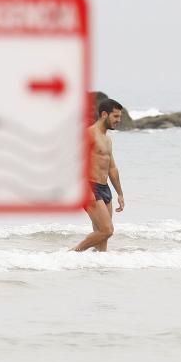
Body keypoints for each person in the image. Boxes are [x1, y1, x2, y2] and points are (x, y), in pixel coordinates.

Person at [72, 98, 125, 252]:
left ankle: (98, 270)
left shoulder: (107, 140)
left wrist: (120, 194)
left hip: (104, 188)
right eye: (115, 116)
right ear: (104, 114)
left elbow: (112, 168)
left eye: (119, 117)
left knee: (103, 238)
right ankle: (72, 254)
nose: (119, 120)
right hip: (90, 186)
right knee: (107, 230)